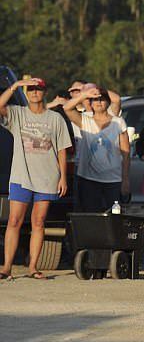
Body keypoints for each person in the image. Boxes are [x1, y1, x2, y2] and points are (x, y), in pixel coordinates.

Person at [0, 77, 70, 280]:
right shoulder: (17, 113)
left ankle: (33, 267)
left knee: (38, 222)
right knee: (14, 221)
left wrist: (63, 177)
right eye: (30, 90)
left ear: (44, 92)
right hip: (21, 176)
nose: (34, 93)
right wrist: (14, 86)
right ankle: (6, 267)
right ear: (26, 92)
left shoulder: (55, 118)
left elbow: (62, 150)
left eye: (38, 89)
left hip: (48, 177)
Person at [61, 86, 130, 213]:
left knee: (114, 216)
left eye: (102, 99)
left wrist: (125, 179)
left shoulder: (118, 122)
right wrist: (85, 94)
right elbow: (67, 108)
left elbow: (126, 152)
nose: (99, 102)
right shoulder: (84, 120)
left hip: (113, 180)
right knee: (90, 215)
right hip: (88, 180)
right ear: (90, 103)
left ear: (108, 102)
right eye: (95, 100)